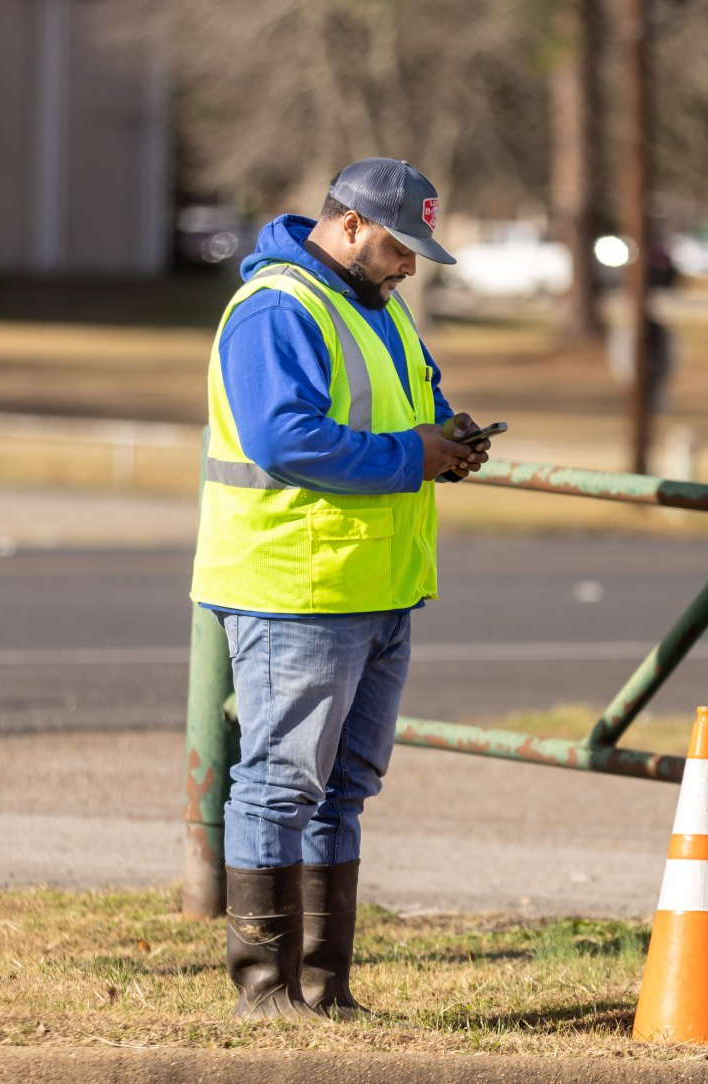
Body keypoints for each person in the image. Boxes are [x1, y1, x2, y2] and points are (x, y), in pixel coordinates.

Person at [189, 158, 491, 1019]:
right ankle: (264, 993)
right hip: (297, 585)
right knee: (281, 785)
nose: (410, 266)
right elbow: (284, 439)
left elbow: (406, 410)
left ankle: (323, 989)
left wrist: (448, 438)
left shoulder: (378, 308)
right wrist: (412, 457)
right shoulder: (280, 306)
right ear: (350, 225)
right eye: (401, 246)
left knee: (342, 790)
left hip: (375, 584)